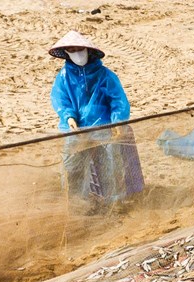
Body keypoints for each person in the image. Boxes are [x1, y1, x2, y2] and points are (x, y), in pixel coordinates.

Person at [49, 30, 143, 211]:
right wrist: (69, 117)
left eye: (79, 49)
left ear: (87, 50)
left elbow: (118, 100)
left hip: (104, 126)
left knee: (109, 164)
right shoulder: (64, 77)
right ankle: (76, 204)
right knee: (73, 167)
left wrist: (117, 122)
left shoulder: (105, 75)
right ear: (66, 53)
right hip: (76, 129)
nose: (77, 53)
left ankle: (113, 201)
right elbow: (61, 100)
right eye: (71, 50)